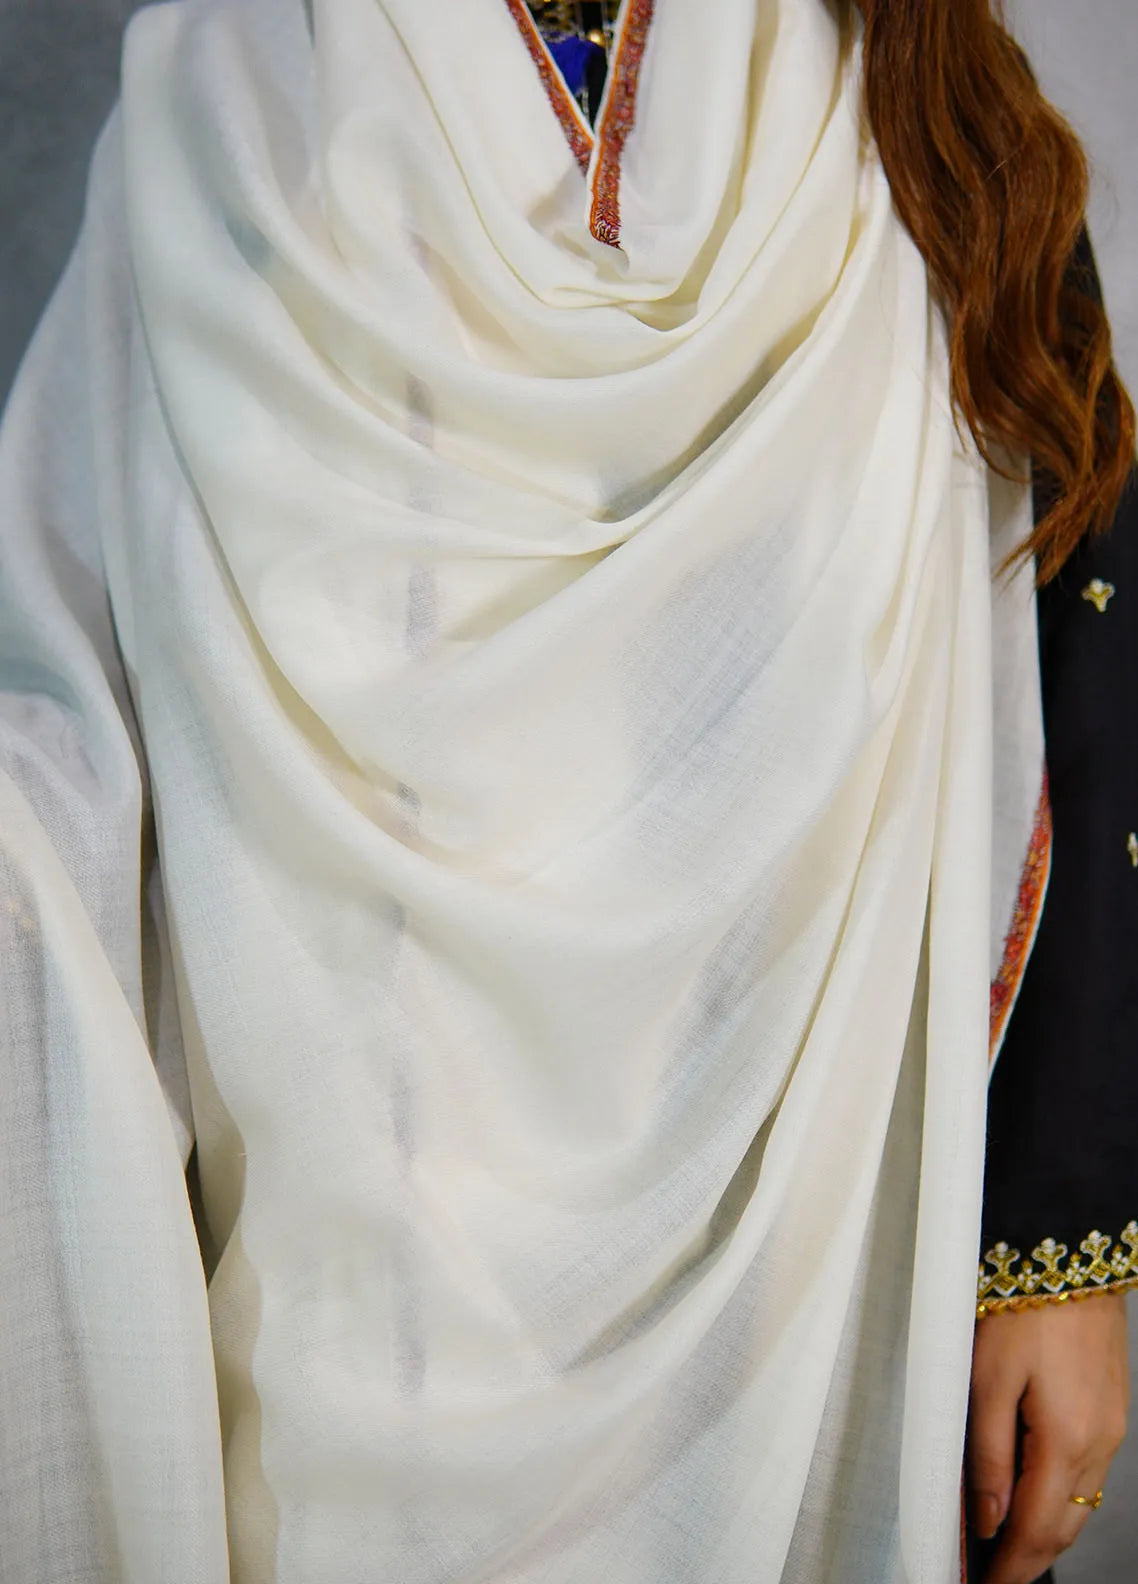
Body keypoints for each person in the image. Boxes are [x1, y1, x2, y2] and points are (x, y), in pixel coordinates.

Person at [1, 0, 1134, 1580]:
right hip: (373, 1283)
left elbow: (1069, 681)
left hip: (818, 1241)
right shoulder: (233, 99)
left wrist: (1058, 1253)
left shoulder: (918, 105)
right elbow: (76, 703)